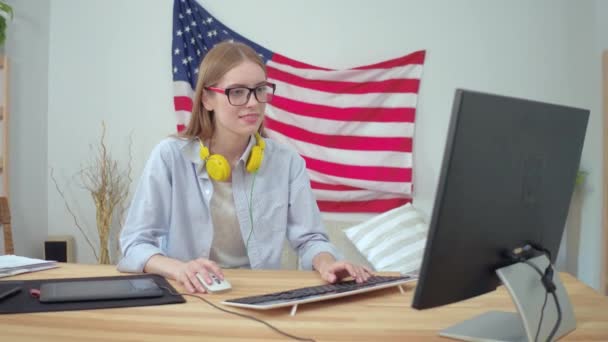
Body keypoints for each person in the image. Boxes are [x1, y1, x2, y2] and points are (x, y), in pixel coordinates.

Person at [118, 41, 372, 293]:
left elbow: (310, 240)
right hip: (189, 291)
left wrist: (327, 263)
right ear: (207, 98)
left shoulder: (287, 162)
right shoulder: (170, 156)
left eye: (260, 89)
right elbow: (135, 244)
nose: (253, 103)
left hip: (259, 293)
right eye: (237, 92)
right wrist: (179, 269)